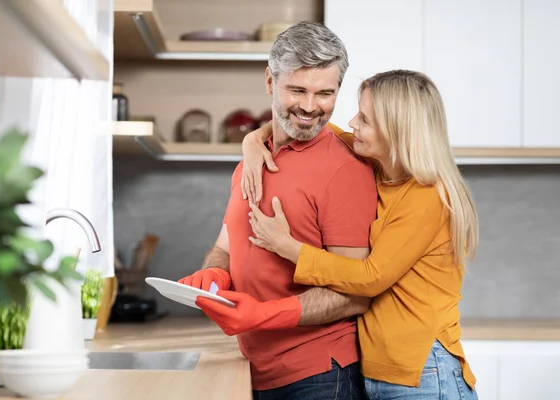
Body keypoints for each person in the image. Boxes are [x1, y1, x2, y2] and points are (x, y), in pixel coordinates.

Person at [238, 70, 480, 399]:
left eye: (364, 118)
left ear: (397, 132)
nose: (352, 123)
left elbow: (371, 277)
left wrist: (289, 247)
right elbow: (300, 125)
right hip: (387, 373)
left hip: (424, 372)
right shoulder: (381, 167)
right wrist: (252, 141)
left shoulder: (428, 194)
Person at [177, 21, 378, 400]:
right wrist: (213, 272)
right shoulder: (252, 158)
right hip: (254, 367)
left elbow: (355, 293)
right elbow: (228, 243)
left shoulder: (346, 170)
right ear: (270, 81)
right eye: (297, 89)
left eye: (325, 93)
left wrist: (261, 315)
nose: (309, 106)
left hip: (319, 375)